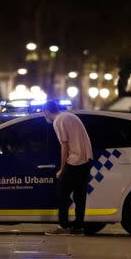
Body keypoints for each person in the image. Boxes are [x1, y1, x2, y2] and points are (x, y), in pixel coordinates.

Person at [42, 100, 93, 236]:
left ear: (46, 111)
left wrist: (62, 168)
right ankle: (78, 227)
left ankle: (63, 226)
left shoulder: (58, 121)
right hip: (86, 160)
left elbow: (64, 146)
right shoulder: (71, 116)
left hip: (74, 162)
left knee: (62, 195)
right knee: (79, 196)